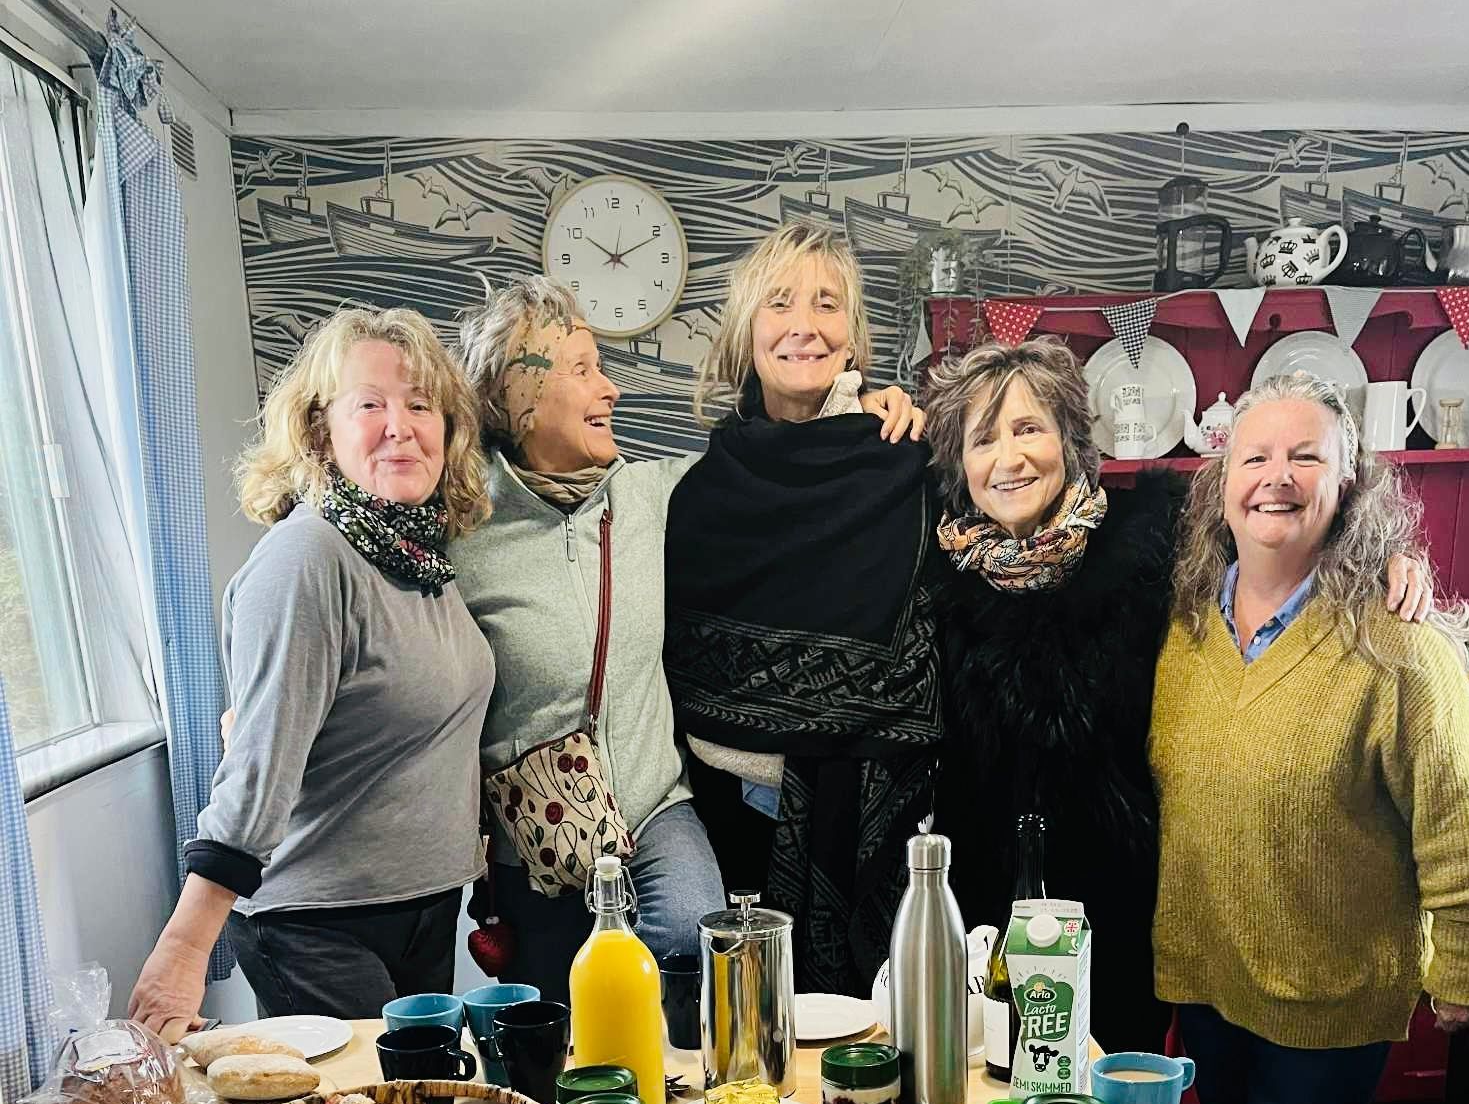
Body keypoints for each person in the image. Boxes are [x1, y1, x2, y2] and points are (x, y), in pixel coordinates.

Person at [923, 337, 1437, 1059]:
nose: (1008, 458)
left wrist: (1379, 553)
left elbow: (1286, 526)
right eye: (983, 440)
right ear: (959, 467)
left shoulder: (1158, 534)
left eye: (1029, 428)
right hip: (981, 906)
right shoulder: (934, 570)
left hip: (1125, 903)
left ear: (1071, 440)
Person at [453, 274, 921, 1007]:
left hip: (653, 808)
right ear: (518, 397)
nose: (610, 390)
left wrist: (858, 409)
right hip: (538, 832)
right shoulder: (464, 534)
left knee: (689, 952)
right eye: (583, 371)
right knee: (555, 1017)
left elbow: (775, 472)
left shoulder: (654, 495)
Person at [1151, 371, 1469, 1104]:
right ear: (1220, 481)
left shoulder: (1398, 648)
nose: (1276, 476)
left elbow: (1464, 827)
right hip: (1209, 981)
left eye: (1305, 456)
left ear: (1349, 485)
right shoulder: (1183, 629)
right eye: (1256, 456)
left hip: (1328, 1004)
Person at [128, 306, 494, 1040]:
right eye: (370, 404)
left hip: (418, 910)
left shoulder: (419, 561)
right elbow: (258, 762)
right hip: (316, 926)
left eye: (421, 405)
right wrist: (185, 949)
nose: (400, 425)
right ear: (321, 430)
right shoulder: (309, 560)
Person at [665, 222, 937, 993]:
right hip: (724, 809)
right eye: (779, 303)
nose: (804, 327)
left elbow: (922, 637)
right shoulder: (703, 489)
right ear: (746, 331)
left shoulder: (900, 458)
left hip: (861, 812)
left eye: (828, 305)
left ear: (853, 337)